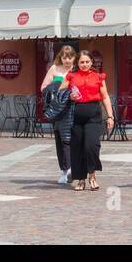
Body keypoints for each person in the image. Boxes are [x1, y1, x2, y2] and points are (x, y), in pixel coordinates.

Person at [59, 50, 113, 191]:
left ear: (91, 62)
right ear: (77, 63)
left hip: (93, 115)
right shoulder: (71, 76)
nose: (84, 64)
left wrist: (110, 116)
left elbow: (105, 97)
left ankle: (92, 176)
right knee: (77, 148)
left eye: (87, 62)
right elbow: (60, 92)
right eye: (81, 62)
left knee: (91, 146)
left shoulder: (99, 77)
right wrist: (69, 95)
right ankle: (81, 180)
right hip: (75, 116)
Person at [41, 44, 77, 185]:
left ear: (74, 57)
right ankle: (64, 170)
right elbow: (43, 87)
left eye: (70, 57)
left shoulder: (77, 69)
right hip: (58, 110)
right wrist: (55, 88)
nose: (67, 60)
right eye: (64, 57)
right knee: (60, 140)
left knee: (72, 140)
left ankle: (74, 168)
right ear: (60, 57)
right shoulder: (54, 69)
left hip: (74, 109)